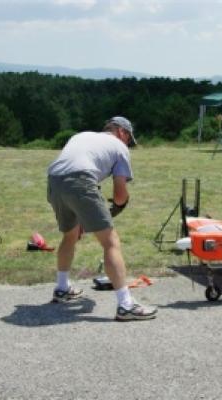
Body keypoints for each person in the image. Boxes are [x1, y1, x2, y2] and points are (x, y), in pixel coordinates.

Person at [47, 116, 157, 321]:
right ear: (121, 132)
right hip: (80, 181)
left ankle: (62, 289)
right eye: (128, 139)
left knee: (69, 236)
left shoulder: (82, 135)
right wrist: (120, 205)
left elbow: (73, 165)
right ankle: (126, 306)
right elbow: (119, 194)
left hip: (54, 181)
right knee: (111, 242)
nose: (128, 144)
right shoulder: (119, 146)